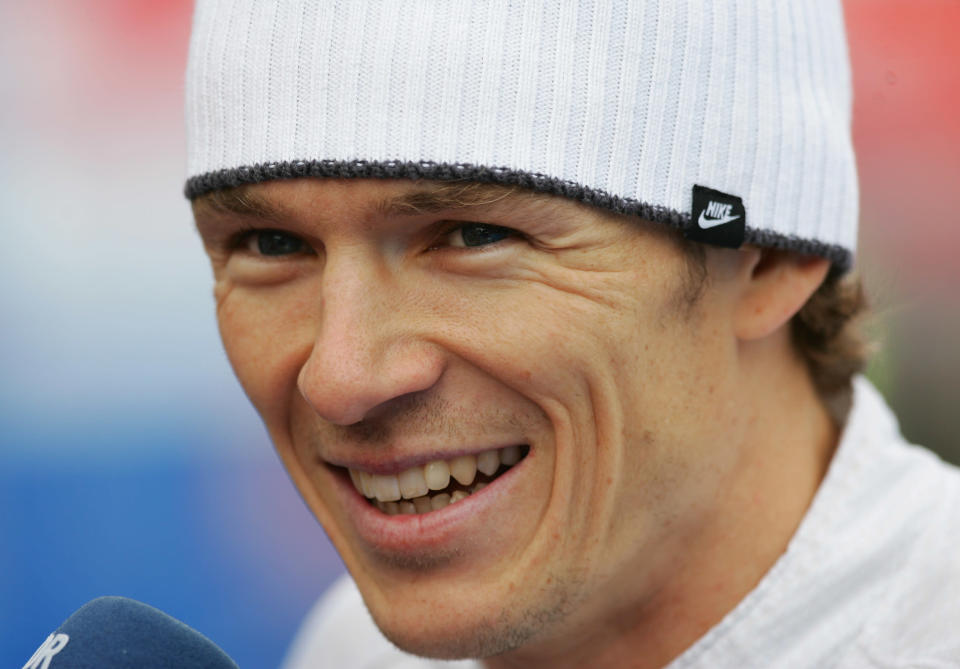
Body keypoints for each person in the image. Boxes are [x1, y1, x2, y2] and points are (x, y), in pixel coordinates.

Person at [183, 2, 960, 667]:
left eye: (475, 233)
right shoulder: (347, 647)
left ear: (770, 254)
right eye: (271, 245)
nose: (341, 377)